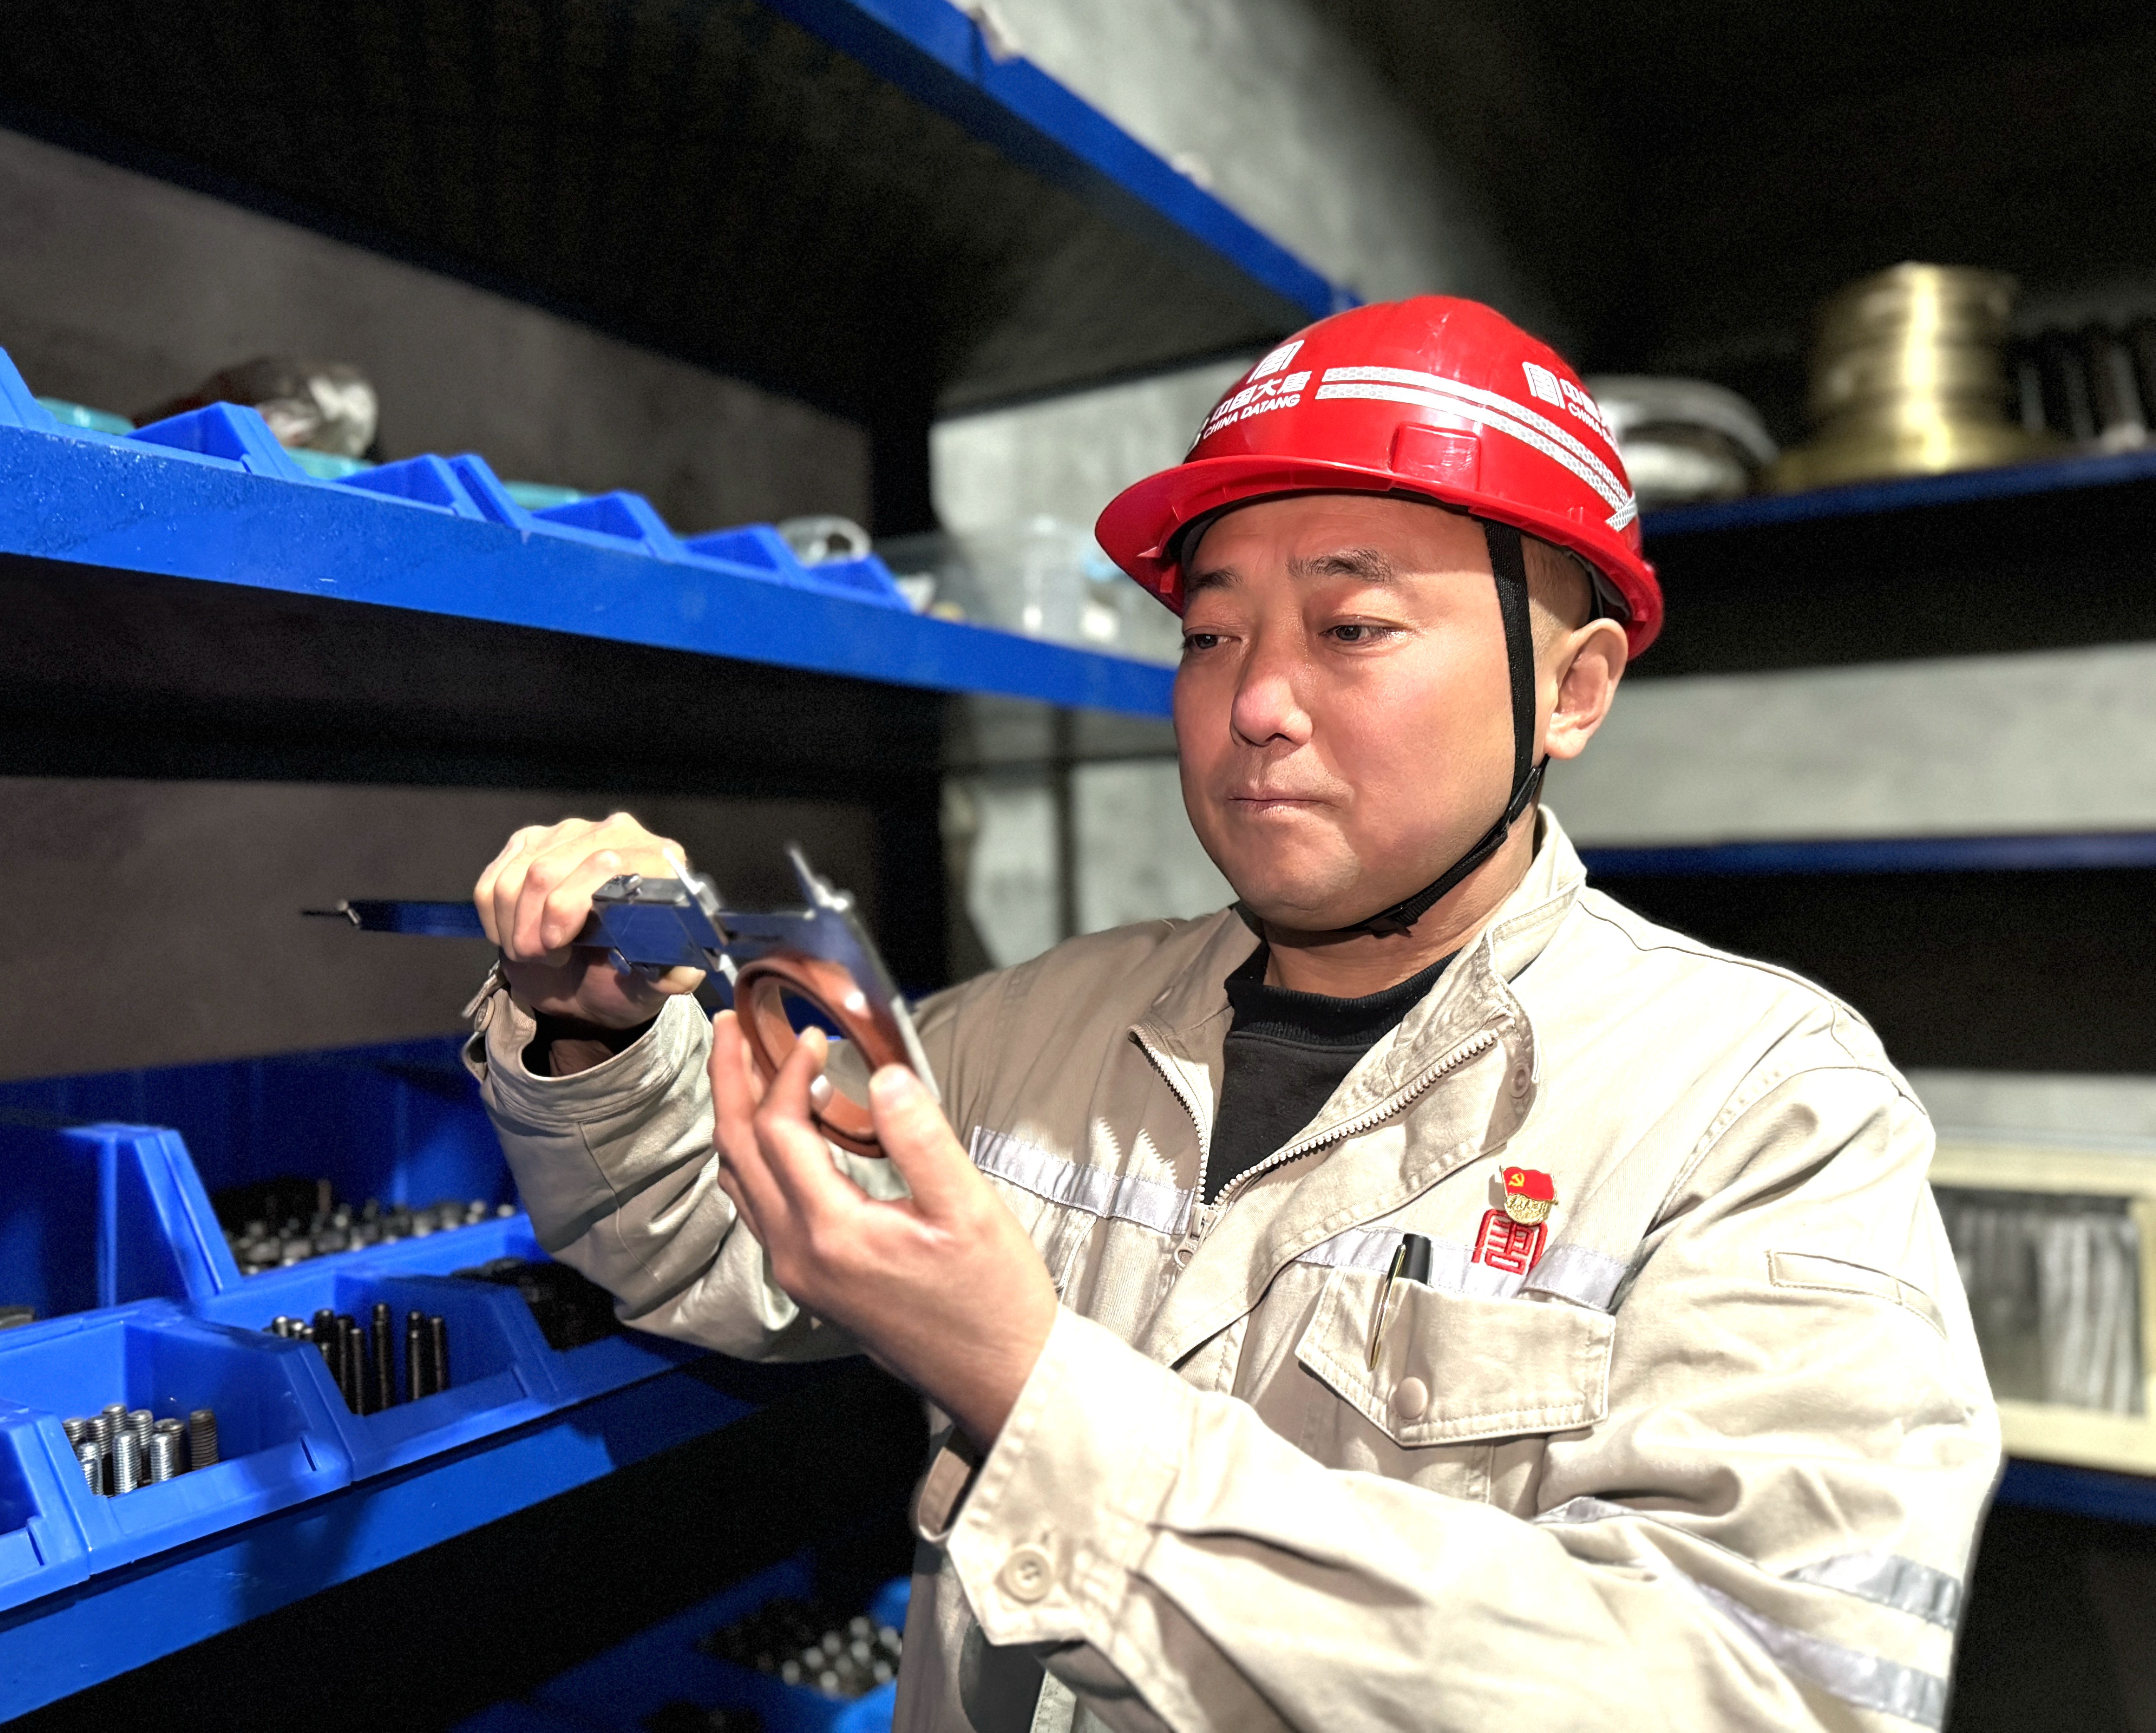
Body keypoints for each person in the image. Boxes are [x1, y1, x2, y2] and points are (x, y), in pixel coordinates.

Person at [464, 297, 1998, 1733]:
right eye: (1210, 635)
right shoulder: (1032, 1031)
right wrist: (601, 1036)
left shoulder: (1763, 1112)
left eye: (1353, 627)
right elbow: (709, 1235)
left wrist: (1036, 1391)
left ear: (1575, 689)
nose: (1256, 702)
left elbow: (1760, 1688)